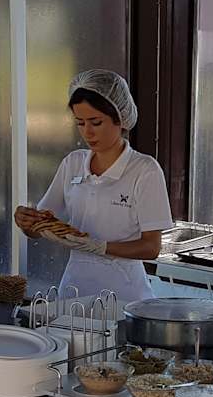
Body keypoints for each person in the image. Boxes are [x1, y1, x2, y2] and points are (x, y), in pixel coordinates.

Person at [15, 70, 172, 305]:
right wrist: (27, 222)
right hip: (73, 293)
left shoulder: (144, 170)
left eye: (96, 122)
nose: (87, 132)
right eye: (80, 123)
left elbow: (151, 247)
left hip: (124, 297)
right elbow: (41, 227)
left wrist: (100, 247)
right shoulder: (73, 163)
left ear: (121, 119)